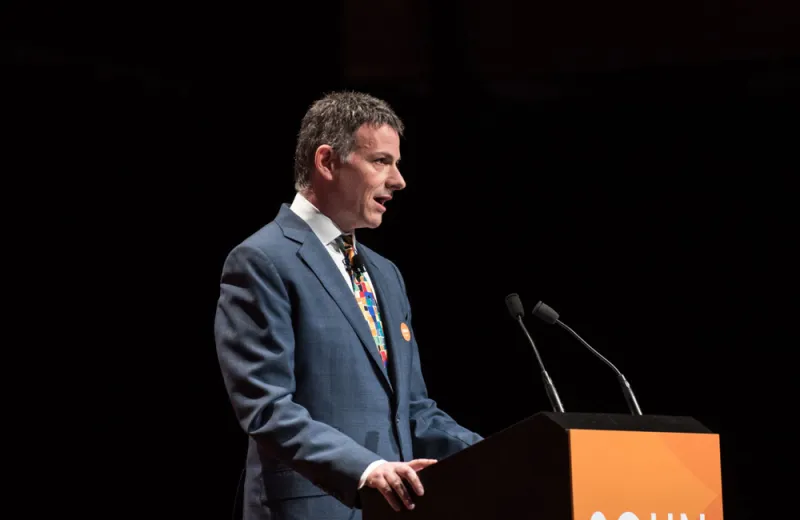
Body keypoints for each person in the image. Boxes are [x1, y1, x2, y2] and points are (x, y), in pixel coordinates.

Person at [214, 91, 482, 520]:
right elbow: (267, 407)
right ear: (327, 162)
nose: (399, 180)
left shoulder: (386, 274)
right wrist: (365, 468)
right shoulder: (262, 261)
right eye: (381, 161)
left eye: (396, 163)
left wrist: (500, 452)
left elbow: (413, 410)